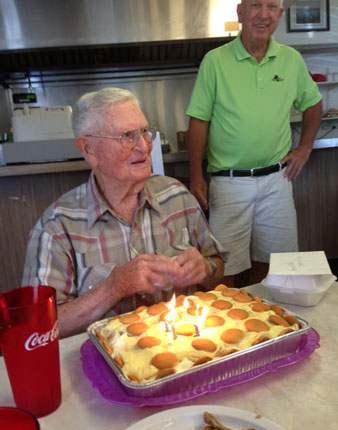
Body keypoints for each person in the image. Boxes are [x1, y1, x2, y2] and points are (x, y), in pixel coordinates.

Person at [22, 87, 227, 338]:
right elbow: (38, 328)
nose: (144, 146)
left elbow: (218, 272)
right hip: (101, 366)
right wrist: (113, 287)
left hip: (182, 354)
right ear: (88, 150)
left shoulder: (178, 197)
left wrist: (205, 269)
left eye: (144, 132)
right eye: (127, 136)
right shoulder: (56, 228)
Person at [186, 0, 322, 287]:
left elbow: (313, 103)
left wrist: (305, 147)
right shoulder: (215, 61)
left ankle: (265, 321)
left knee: (278, 264)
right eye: (255, 5)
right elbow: (199, 121)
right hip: (228, 182)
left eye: (272, 7)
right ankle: (228, 324)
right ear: (240, 12)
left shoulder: (291, 59)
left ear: (280, 15)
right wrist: (196, 175)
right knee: (223, 266)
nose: (263, 14)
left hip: (277, 179)